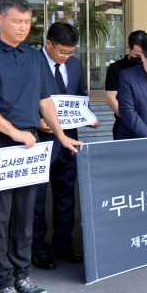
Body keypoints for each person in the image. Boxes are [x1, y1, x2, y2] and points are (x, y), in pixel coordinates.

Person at [0, 0, 83, 293]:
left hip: (31, 145)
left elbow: (45, 101)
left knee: (25, 213)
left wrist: (61, 136)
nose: (23, 27)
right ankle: (1, 280)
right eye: (17, 21)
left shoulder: (33, 58)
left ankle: (21, 274)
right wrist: (14, 131)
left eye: (28, 22)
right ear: (0, 20)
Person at [32, 23, 99, 271]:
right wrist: (35, 121)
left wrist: (88, 116)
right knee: (36, 199)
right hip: (37, 142)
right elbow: (20, 98)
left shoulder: (75, 65)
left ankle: (63, 245)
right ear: (47, 42)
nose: (67, 56)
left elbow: (79, 99)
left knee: (66, 197)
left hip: (69, 140)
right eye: (62, 51)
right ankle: (38, 249)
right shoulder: (31, 61)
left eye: (71, 52)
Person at [105, 30, 147, 139]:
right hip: (124, 124)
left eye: (145, 55)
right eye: (137, 55)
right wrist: (131, 119)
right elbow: (111, 99)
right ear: (128, 48)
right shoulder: (115, 68)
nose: (142, 59)